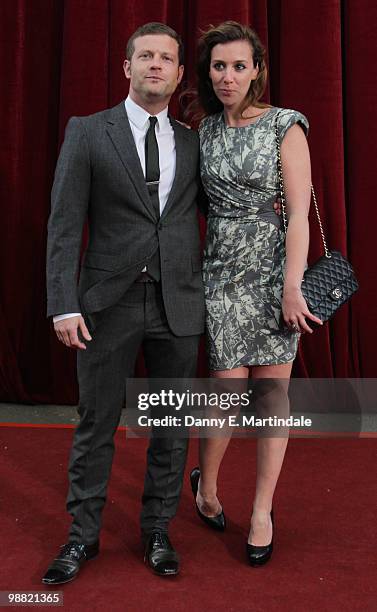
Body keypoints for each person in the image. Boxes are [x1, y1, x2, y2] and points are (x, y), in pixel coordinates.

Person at [43, 22, 207, 582]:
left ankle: (157, 531)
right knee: (96, 424)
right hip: (104, 305)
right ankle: (81, 538)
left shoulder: (194, 142)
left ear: (181, 74)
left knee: (172, 423)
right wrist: (64, 304)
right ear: (127, 66)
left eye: (166, 58)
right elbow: (64, 226)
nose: (155, 65)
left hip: (179, 304)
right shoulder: (88, 132)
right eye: (145, 56)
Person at [189, 21, 323, 566]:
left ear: (256, 71)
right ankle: (207, 488)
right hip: (221, 273)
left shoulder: (284, 126)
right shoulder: (202, 132)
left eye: (238, 66)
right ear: (208, 72)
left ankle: (263, 509)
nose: (228, 76)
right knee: (225, 392)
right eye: (219, 66)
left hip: (274, 274)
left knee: (271, 397)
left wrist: (293, 286)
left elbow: (296, 217)